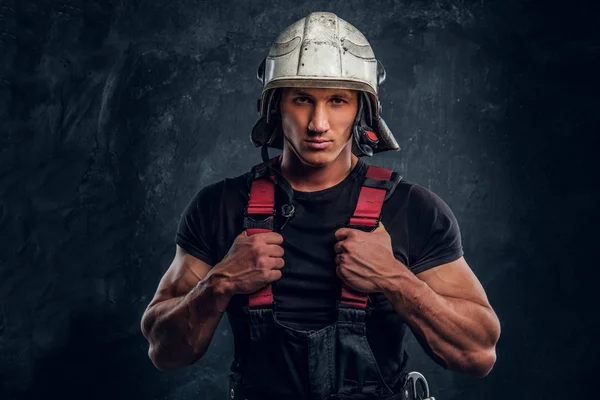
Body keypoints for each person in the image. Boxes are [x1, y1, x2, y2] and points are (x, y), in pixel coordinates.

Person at [141, 12, 501, 400]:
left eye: (337, 101)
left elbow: (478, 354)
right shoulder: (220, 206)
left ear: (362, 111)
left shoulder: (412, 210)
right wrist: (220, 282)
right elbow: (164, 351)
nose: (318, 123)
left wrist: (395, 279)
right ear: (274, 106)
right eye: (301, 100)